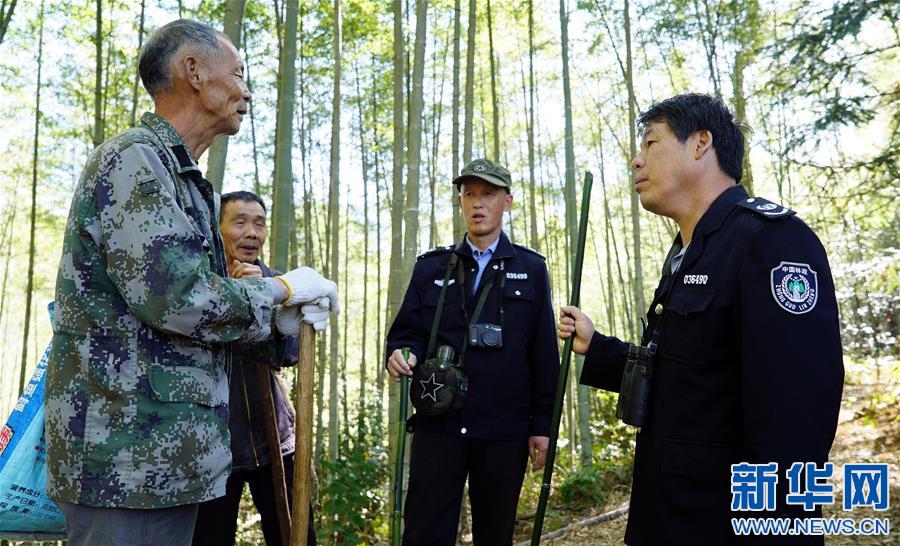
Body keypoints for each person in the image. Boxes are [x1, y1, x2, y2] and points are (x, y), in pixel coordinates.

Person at [45, 20, 337, 546]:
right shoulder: (134, 161)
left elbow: (197, 321)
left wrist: (276, 322)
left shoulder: (183, 181)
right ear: (194, 71)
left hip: (168, 462)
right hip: (125, 462)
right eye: (239, 73)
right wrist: (279, 291)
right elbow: (179, 299)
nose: (246, 91)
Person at [558, 93, 844, 544]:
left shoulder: (770, 242)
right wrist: (600, 349)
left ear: (701, 143)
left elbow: (796, 417)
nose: (637, 161)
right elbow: (684, 378)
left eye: (651, 143)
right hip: (669, 512)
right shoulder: (689, 251)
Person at [386, 159, 559, 545]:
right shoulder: (431, 267)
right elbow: (405, 333)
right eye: (469, 194)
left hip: (504, 429)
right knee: (424, 532)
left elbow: (544, 354)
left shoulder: (530, 268)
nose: (477, 203)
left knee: (494, 534)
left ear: (507, 202)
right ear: (461, 201)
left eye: (488, 194)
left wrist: (542, 426)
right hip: (439, 424)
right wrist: (400, 353)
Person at [192, 191, 317, 546]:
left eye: (259, 224)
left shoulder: (281, 285)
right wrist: (238, 298)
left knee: (295, 536)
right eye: (240, 222)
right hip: (213, 442)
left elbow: (291, 352)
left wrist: (261, 294)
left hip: (274, 436)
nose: (251, 232)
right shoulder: (200, 286)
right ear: (218, 230)